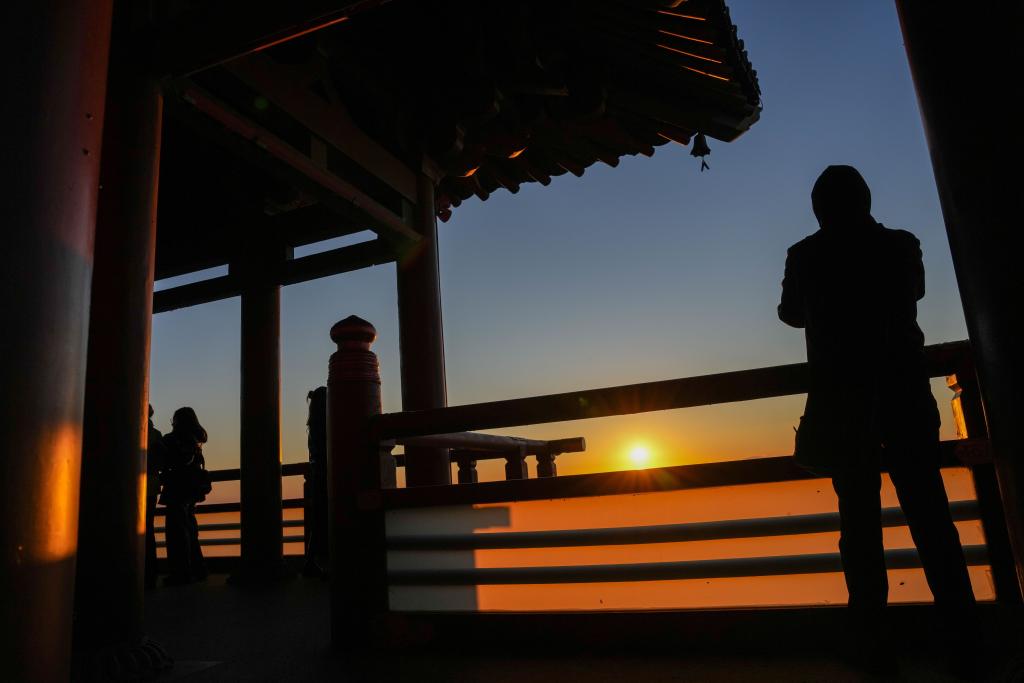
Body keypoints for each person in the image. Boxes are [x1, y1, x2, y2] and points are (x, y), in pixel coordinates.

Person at [779, 165, 977, 673]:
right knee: (930, 515)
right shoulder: (902, 245)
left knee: (859, 523)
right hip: (905, 392)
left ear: (819, 209)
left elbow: (790, 314)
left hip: (842, 402)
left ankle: (872, 641)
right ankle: (965, 639)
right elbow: (916, 293)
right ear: (866, 201)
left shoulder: (805, 255)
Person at [159, 406, 211, 585]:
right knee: (190, 529)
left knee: (176, 532)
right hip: (191, 490)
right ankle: (198, 568)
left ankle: (181, 572)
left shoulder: (172, 440)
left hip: (177, 489)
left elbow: (168, 460)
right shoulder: (196, 441)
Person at [303, 386, 329, 577]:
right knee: (323, 519)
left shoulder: (313, 427)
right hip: (326, 475)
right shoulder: (326, 426)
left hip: (317, 476)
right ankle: (314, 562)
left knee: (318, 520)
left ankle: (311, 561)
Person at [145, 405, 169, 590]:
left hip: (139, 485)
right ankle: (150, 572)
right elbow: (162, 463)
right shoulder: (157, 435)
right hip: (152, 485)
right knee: (148, 528)